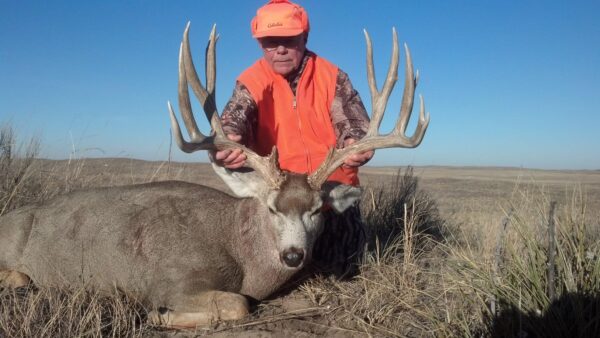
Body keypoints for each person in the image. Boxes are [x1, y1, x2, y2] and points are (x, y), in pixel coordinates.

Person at [214, 0, 373, 277]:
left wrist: (356, 143)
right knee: (262, 274)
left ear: (305, 37)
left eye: (289, 40)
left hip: (327, 196)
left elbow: (353, 122)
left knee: (344, 269)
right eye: (269, 43)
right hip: (277, 199)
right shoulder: (251, 82)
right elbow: (236, 114)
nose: (280, 50)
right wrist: (229, 137)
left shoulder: (332, 77)